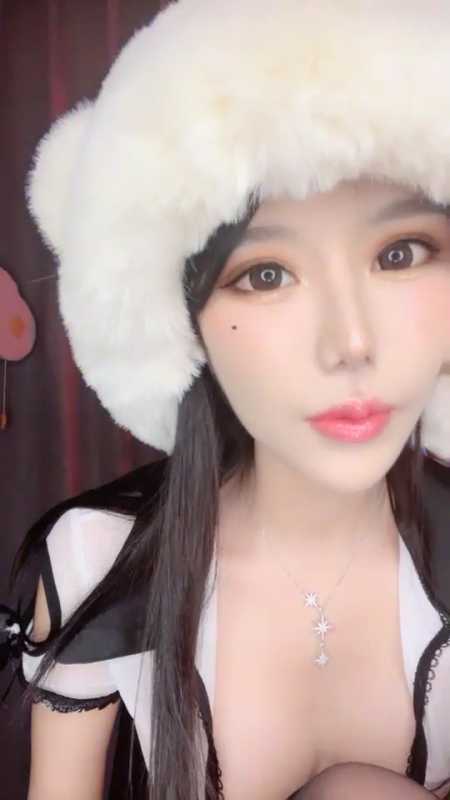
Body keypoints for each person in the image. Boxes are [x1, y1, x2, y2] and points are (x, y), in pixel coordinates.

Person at [1, 1, 450, 798]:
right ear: (181, 318)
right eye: (266, 274)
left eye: (400, 253)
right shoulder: (99, 560)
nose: (351, 342)